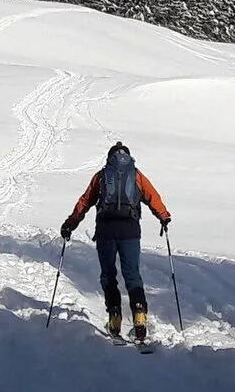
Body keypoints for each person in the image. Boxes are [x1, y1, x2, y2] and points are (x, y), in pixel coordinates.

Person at [61, 142, 171, 341]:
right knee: (132, 275)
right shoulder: (136, 175)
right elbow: (152, 196)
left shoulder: (102, 176)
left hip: (106, 231)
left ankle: (114, 318)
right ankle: (139, 314)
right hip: (130, 231)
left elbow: (85, 201)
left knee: (109, 275)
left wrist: (70, 224)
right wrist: (163, 216)